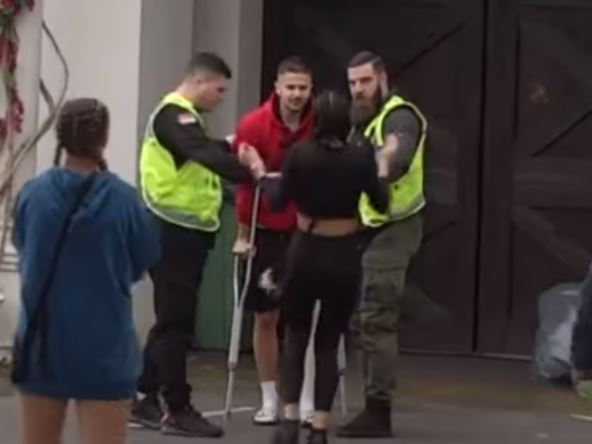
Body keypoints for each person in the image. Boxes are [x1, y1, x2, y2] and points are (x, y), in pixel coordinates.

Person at [11, 98, 160, 444]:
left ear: (60, 137)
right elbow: (143, 259)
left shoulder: (33, 194)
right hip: (104, 345)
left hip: (42, 344)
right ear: (103, 139)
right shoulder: (124, 200)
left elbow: (23, 248)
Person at [132, 52, 264, 438]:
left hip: (185, 231)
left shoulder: (183, 119)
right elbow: (201, 152)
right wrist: (252, 173)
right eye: (219, 90)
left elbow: (202, 147)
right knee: (177, 323)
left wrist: (231, 144)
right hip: (172, 230)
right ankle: (177, 408)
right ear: (200, 81)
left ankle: (142, 396)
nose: (221, 98)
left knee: (170, 318)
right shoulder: (174, 115)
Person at [256, 90, 394, 444]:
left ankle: (289, 420)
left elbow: (277, 201)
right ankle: (319, 427)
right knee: (329, 342)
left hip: (305, 249)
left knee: (295, 335)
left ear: (315, 119)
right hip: (344, 252)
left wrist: (261, 174)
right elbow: (381, 203)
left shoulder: (300, 154)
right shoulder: (360, 156)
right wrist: (382, 167)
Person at [337, 51, 428, 438]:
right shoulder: (362, 122)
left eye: (365, 81)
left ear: (383, 78)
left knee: (376, 316)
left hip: (395, 227)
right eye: (353, 83)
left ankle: (378, 411)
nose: (358, 89)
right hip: (368, 227)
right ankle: (373, 404)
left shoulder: (399, 116)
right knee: (363, 318)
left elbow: (396, 153)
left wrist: (382, 165)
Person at [231, 56, 315, 425]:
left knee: (305, 316)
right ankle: (269, 398)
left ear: (311, 89)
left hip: (306, 230)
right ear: (277, 88)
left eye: (303, 88)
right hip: (265, 227)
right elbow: (245, 186)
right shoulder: (254, 124)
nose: (296, 94)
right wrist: (243, 235)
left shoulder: (319, 124)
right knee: (266, 315)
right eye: (290, 87)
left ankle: (306, 397)